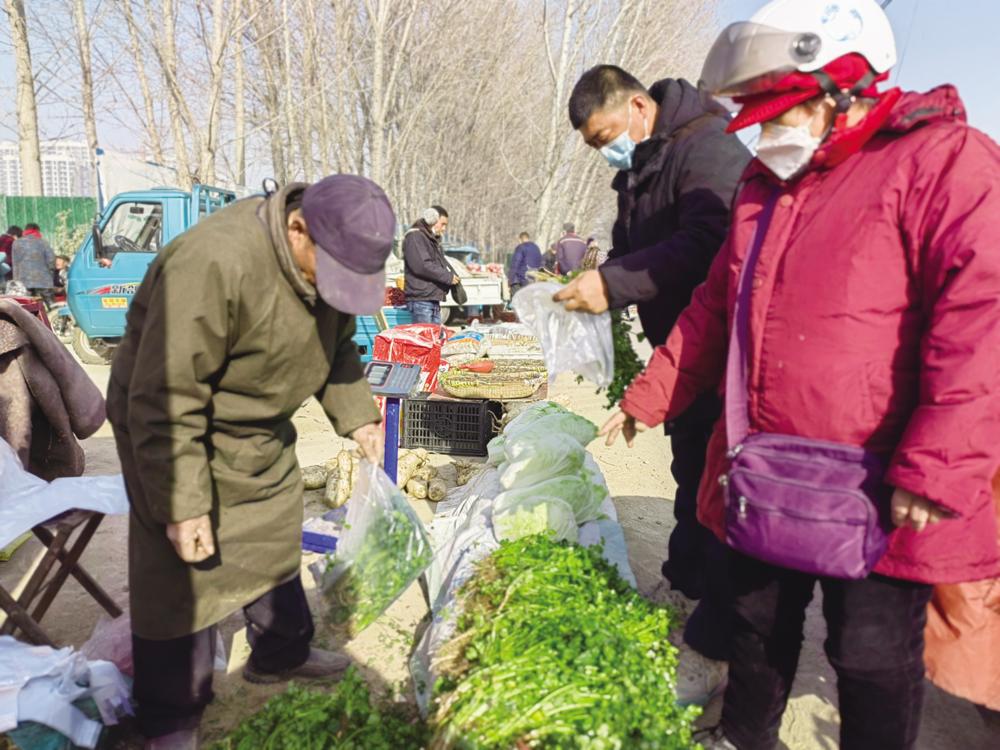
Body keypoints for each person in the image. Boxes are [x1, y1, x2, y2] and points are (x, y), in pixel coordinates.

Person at [601, 1, 1000, 748]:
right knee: (755, 627)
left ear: (844, 87)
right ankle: (742, 737)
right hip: (769, 467)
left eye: (779, 113)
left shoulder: (944, 163)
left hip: (883, 481)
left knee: (870, 655)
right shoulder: (766, 187)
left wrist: (936, 466)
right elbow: (714, 305)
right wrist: (649, 395)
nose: (767, 133)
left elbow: (982, 317)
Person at [106, 175, 394, 749]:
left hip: (258, 427)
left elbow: (337, 348)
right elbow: (166, 395)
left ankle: (280, 653)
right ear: (297, 229)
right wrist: (184, 505)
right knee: (182, 568)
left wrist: (358, 416)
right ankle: (171, 714)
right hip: (173, 425)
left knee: (273, 531)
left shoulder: (325, 261)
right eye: (333, 273)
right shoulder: (212, 264)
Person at [557, 62, 752, 700]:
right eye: (594, 145)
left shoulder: (708, 148)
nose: (604, 151)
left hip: (719, 350)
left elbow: (708, 247)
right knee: (689, 468)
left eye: (605, 136)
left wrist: (614, 284)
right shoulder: (641, 167)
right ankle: (685, 581)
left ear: (638, 107)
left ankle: (717, 628)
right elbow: (633, 246)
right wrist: (600, 283)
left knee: (718, 483)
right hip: (681, 350)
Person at [403, 206, 459, 324]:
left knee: (434, 335)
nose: (444, 229)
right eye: (442, 224)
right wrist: (447, 277)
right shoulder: (415, 237)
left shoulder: (430, 239)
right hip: (421, 301)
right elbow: (422, 266)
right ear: (432, 219)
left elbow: (436, 264)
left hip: (430, 299)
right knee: (425, 335)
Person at [12, 223, 57, 306]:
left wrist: (16, 280)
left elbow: (15, 263)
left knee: (27, 306)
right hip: (44, 280)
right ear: (37, 230)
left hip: (24, 280)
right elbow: (51, 260)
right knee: (51, 305)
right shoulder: (43, 242)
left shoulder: (16, 243)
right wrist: (51, 274)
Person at [508, 231, 542, 295]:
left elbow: (515, 264)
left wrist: (510, 280)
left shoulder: (520, 247)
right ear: (528, 238)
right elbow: (540, 262)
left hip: (522, 279)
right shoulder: (536, 247)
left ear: (520, 239)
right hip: (534, 278)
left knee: (517, 298)